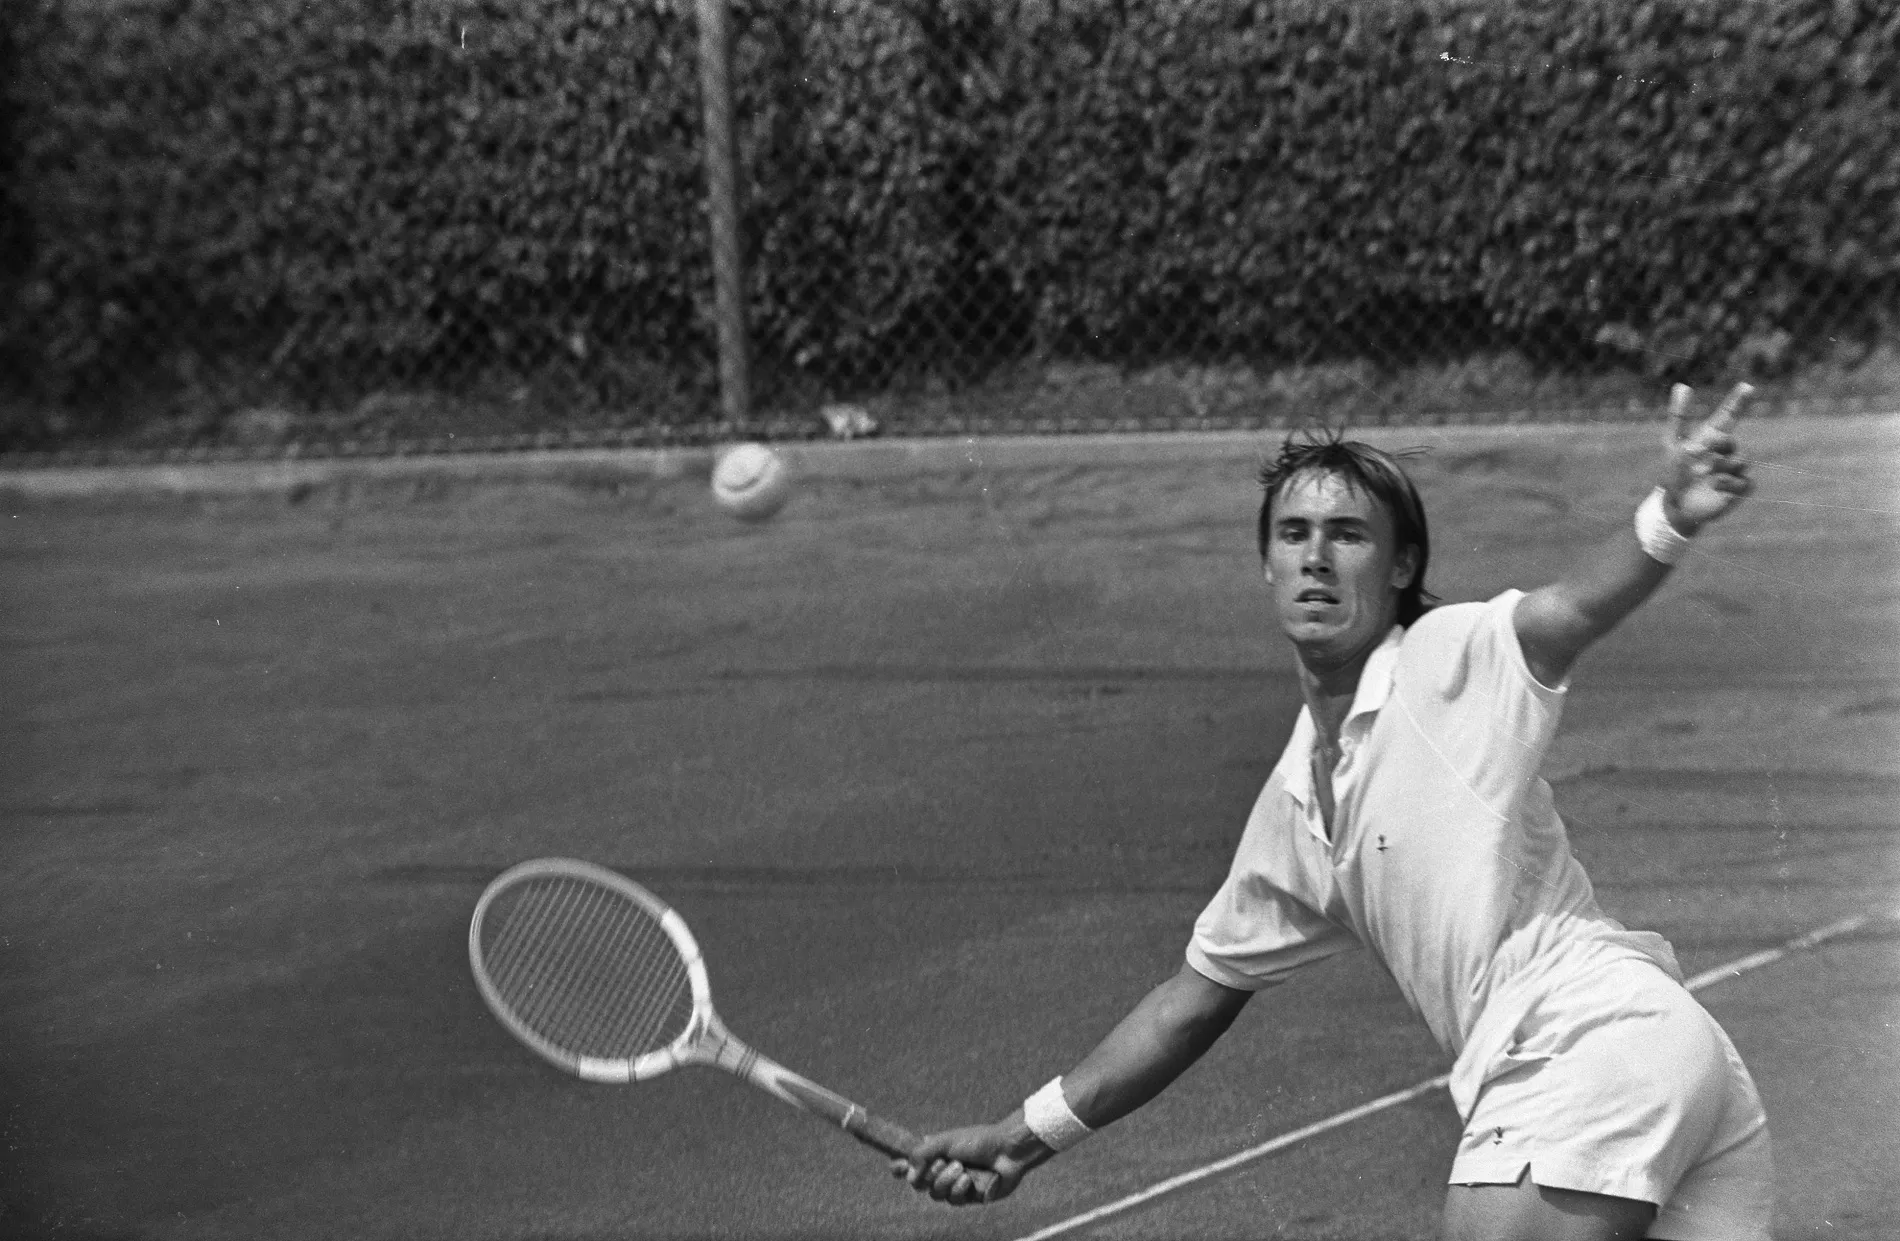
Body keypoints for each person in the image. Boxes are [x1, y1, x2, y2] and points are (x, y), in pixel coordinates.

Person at [895, 384, 1771, 1241]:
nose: (1316, 556)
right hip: (1661, 1060)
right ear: (1267, 565)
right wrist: (1020, 1136)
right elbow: (1187, 1006)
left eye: (1347, 534)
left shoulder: (1441, 663)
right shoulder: (1291, 809)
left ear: (1397, 569)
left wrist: (1671, 512)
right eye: (1294, 533)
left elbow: (1570, 609)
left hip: (1587, 1044)